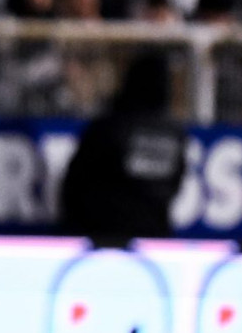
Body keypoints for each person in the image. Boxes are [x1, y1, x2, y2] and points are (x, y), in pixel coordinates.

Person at [60, 51, 187, 243]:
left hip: (104, 234)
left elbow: (76, 180)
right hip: (153, 235)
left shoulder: (111, 125)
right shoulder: (174, 133)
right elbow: (175, 182)